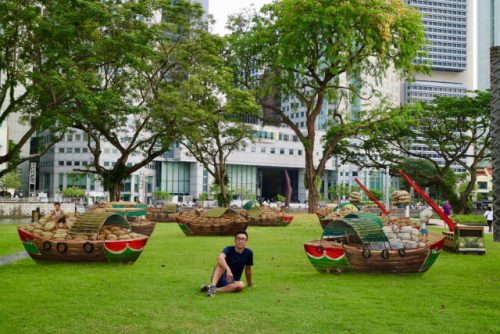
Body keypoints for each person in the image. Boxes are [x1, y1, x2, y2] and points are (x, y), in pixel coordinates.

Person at [201, 231, 253, 297]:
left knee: (241, 285)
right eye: (238, 238)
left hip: (232, 282)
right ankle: (213, 286)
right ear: (235, 240)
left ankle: (213, 289)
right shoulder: (228, 249)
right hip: (219, 278)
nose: (240, 241)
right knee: (221, 264)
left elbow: (248, 269)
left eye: (243, 239)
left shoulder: (249, 253)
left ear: (246, 242)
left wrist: (250, 284)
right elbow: (220, 257)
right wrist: (228, 269)